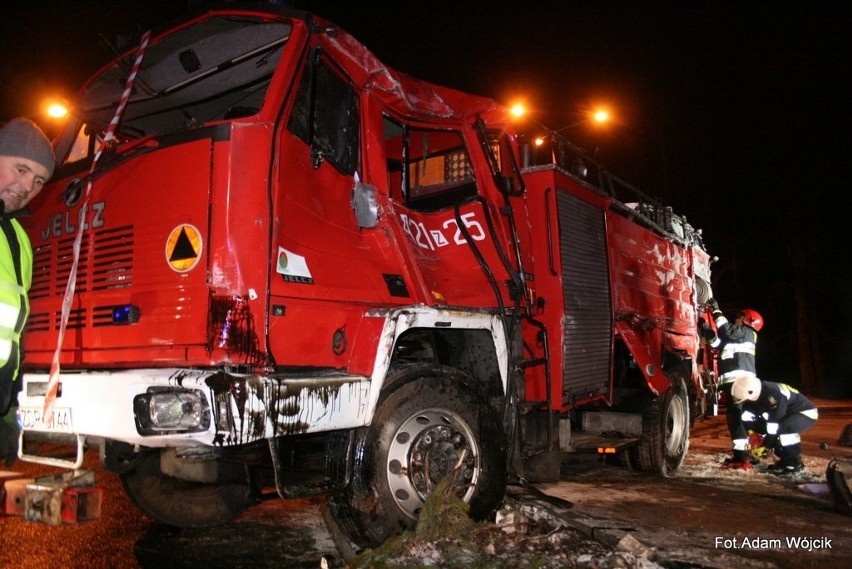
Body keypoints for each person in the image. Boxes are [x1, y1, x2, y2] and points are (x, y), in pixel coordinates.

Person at [0, 117, 55, 466]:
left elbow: (12, 329)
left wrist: (11, 401)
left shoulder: (18, 236)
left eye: (38, 181)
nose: (26, 186)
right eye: (20, 169)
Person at [698, 298, 763, 469]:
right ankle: (747, 455)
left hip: (740, 385)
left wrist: (716, 311)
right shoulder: (739, 336)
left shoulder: (746, 333)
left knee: (737, 421)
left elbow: (726, 330)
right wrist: (706, 330)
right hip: (737, 385)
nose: (737, 319)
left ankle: (743, 457)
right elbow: (719, 344)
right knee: (739, 420)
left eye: (740, 317)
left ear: (749, 321)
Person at [729, 375, 818, 475]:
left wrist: (765, 447)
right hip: (785, 416)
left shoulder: (773, 394)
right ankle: (783, 461)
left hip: (805, 413)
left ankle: (793, 463)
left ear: (750, 392)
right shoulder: (755, 395)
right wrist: (752, 433)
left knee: (783, 429)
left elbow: (774, 426)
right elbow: (746, 416)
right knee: (776, 429)